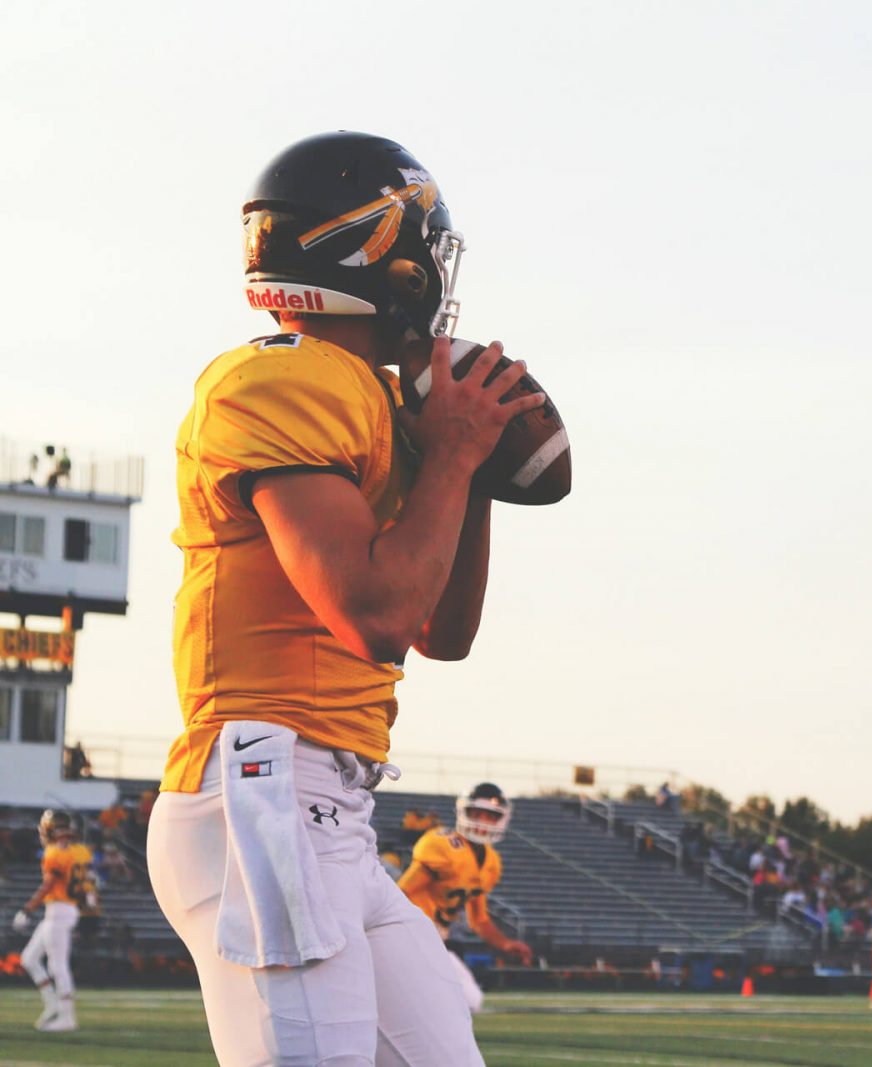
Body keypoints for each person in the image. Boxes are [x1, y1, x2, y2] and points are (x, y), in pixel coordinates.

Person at [146, 131, 549, 1067]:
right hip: (266, 787)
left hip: (331, 802)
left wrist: (473, 468)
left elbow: (440, 629)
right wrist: (448, 454)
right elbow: (370, 616)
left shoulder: (368, 398)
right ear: (381, 254)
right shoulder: (282, 376)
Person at [398, 783, 534, 1013]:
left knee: (470, 1000)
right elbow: (401, 892)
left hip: (436, 939)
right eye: (476, 813)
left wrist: (505, 943)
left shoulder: (490, 862)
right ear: (464, 812)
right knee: (455, 1001)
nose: (482, 820)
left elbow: (479, 920)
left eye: (490, 815)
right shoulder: (443, 845)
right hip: (411, 932)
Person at [12, 810, 95, 1031]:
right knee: (29, 958)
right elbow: (87, 879)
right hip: (65, 909)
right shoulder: (80, 851)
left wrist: (27, 909)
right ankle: (53, 1005)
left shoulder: (55, 853)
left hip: (59, 909)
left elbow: (48, 884)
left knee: (57, 964)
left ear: (52, 830)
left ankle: (67, 1017)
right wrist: (88, 895)